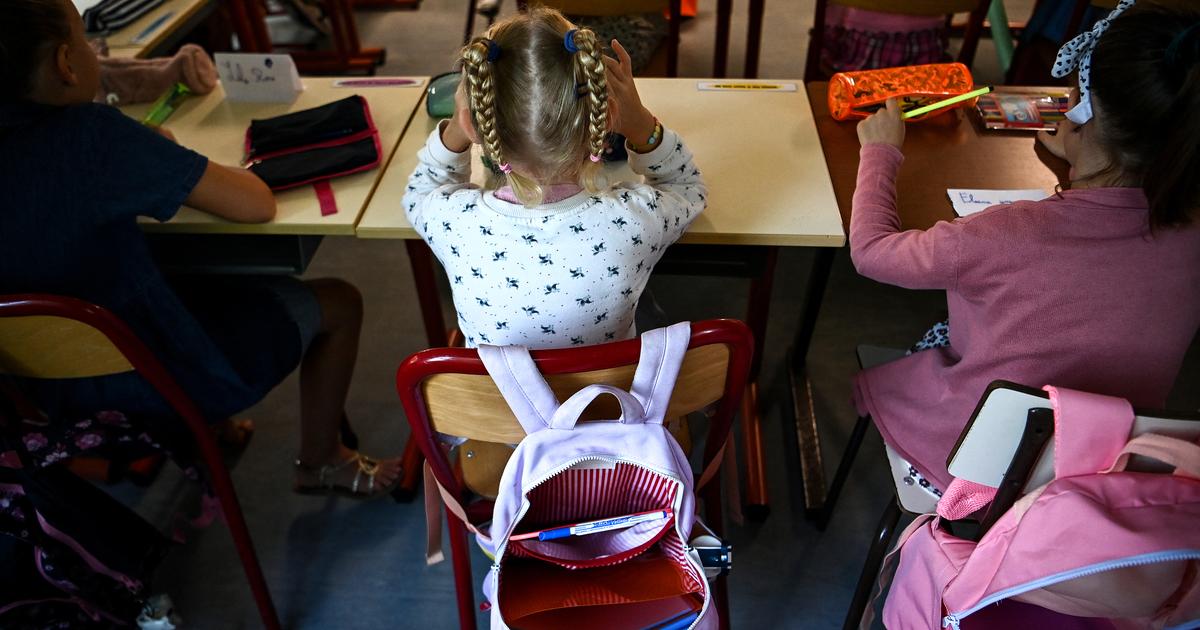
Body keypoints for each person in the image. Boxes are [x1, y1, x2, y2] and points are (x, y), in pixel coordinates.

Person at [0, 0, 400, 498]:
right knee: (340, 300)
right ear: (65, 64)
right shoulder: (92, 137)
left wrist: (145, 152)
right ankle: (321, 460)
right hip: (158, 375)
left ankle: (217, 431)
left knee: (172, 276)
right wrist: (157, 153)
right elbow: (254, 204)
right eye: (83, 41)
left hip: (41, 396)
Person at [849, 0, 1200, 497]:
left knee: (935, 346)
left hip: (976, 469)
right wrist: (1088, 157)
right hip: (1112, 467)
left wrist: (880, 151)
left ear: (1082, 114)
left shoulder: (1004, 233)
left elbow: (872, 252)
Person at [402, 7, 705, 350]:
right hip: (607, 399)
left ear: (475, 125)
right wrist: (640, 124)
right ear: (606, 119)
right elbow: (686, 188)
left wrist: (457, 130)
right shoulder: (635, 220)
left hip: (498, 400)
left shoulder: (452, 221)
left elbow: (420, 191)